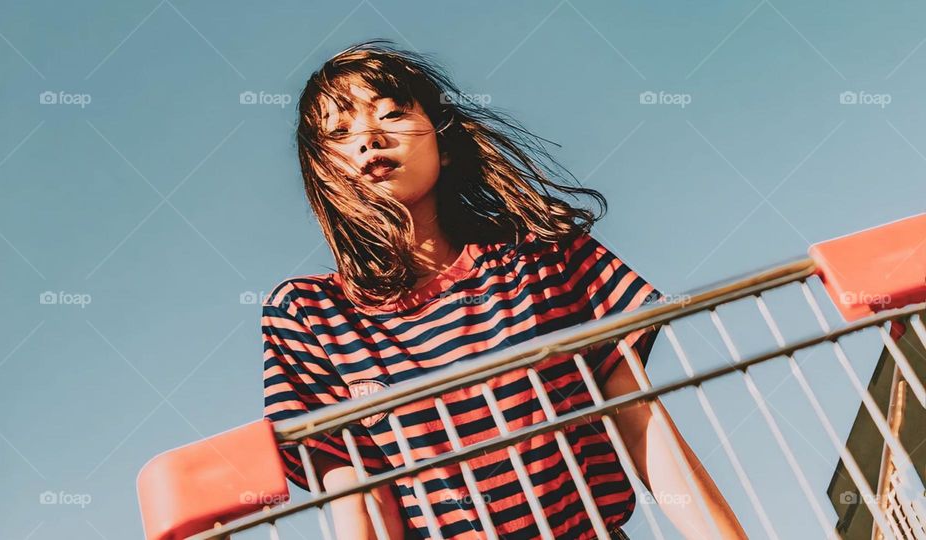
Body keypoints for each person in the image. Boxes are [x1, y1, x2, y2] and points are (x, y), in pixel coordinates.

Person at [262, 40, 746, 540]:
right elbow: (360, 502)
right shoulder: (309, 315)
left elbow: (642, 426)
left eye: (391, 113)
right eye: (339, 133)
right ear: (324, 171)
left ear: (444, 144)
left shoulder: (539, 255)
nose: (368, 138)